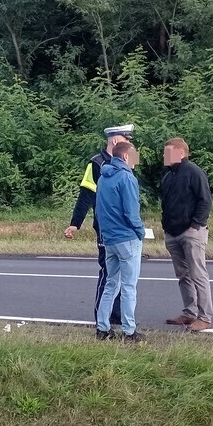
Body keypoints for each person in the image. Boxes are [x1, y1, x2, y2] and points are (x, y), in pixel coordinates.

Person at [64, 124, 134, 326]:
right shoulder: (96, 163)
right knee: (109, 273)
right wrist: (75, 224)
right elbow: (85, 195)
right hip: (105, 227)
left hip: (124, 228)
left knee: (123, 274)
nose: (129, 144)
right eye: (126, 140)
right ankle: (101, 317)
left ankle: (117, 315)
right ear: (114, 141)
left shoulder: (125, 162)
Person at [160, 137, 213, 332]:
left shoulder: (194, 172)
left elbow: (205, 201)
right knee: (183, 275)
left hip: (191, 232)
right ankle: (189, 313)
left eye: (169, 152)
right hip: (172, 232)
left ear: (181, 153)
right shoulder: (168, 176)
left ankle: (205, 317)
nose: (165, 156)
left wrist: (195, 225)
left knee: (198, 274)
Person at [94, 142, 145, 342]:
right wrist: (140, 232)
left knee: (110, 284)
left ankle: (102, 328)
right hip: (127, 237)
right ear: (125, 157)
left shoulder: (103, 178)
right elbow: (131, 211)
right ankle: (129, 330)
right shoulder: (127, 178)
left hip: (109, 238)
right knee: (129, 286)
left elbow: (99, 210)